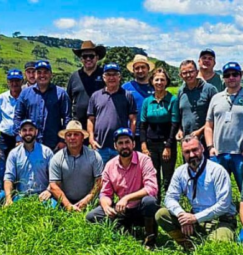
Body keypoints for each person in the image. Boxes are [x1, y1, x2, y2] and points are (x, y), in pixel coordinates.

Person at [157, 135, 236, 251]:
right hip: (193, 220)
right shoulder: (180, 172)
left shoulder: (217, 171)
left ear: (202, 148)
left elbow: (224, 205)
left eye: (195, 150)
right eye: (187, 152)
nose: (192, 155)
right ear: (182, 153)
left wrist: (195, 218)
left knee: (218, 247)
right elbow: (169, 198)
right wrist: (182, 215)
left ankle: (207, 241)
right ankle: (188, 245)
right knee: (161, 214)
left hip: (220, 220)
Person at [86, 128, 159, 249]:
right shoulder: (110, 166)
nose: (124, 146)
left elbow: (152, 188)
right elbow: (105, 194)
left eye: (127, 142)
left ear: (133, 144)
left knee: (149, 201)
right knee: (91, 216)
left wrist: (127, 198)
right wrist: (106, 207)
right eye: (120, 143)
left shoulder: (144, 160)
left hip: (140, 208)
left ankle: (150, 238)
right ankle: (123, 232)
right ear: (115, 146)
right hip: (122, 210)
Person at [205, 62, 243, 192]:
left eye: (235, 74)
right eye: (227, 75)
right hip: (219, 153)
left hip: (241, 154)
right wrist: (210, 147)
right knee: (217, 191)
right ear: (223, 78)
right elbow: (209, 125)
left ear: (240, 76)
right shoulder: (216, 98)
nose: (231, 78)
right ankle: (223, 212)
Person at [138, 68, 180, 198]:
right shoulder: (147, 101)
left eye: (162, 79)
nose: (159, 82)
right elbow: (143, 125)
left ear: (167, 81)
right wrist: (143, 145)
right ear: (152, 81)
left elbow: (174, 124)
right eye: (157, 79)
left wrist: (168, 146)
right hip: (150, 144)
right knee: (152, 176)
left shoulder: (172, 100)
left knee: (168, 176)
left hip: (166, 143)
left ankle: (169, 205)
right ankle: (154, 205)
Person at [47, 121, 104, 211]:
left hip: (89, 200)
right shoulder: (56, 158)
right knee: (49, 207)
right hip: (63, 200)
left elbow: (99, 182)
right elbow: (54, 186)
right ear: (65, 139)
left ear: (82, 138)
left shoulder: (94, 156)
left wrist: (87, 199)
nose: (72, 137)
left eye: (76, 134)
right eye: (69, 135)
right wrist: (68, 205)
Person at [14, 60, 71, 150]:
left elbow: (67, 118)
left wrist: (63, 140)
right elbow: (18, 116)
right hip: (30, 143)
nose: (42, 75)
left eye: (46, 72)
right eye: (39, 72)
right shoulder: (25, 93)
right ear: (35, 74)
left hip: (54, 144)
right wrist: (19, 138)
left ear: (51, 74)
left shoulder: (61, 94)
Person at [87, 63, 137, 164]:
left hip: (120, 147)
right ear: (104, 77)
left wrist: (130, 139)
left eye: (114, 74)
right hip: (100, 145)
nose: (111, 77)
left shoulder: (127, 95)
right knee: (100, 177)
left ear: (119, 77)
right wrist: (91, 139)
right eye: (108, 75)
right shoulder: (95, 96)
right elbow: (90, 119)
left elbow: (133, 119)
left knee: (122, 177)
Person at [3, 120, 54, 206]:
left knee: (54, 206)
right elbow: (9, 178)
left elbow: (54, 178)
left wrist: (49, 190)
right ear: (20, 133)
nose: (27, 133)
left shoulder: (47, 152)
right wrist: (8, 199)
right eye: (24, 130)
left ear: (36, 132)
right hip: (21, 196)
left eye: (31, 129)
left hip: (43, 195)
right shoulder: (14, 154)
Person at [177, 60, 218, 141]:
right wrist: (179, 130)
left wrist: (200, 131)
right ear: (181, 75)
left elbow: (216, 115)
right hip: (187, 139)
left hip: (207, 139)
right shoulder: (181, 91)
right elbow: (179, 114)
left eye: (191, 72)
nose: (188, 75)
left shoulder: (210, 89)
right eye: (184, 73)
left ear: (197, 72)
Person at [67, 41, 107, 121]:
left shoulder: (105, 75)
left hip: (100, 123)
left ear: (97, 57)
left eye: (91, 56)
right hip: (78, 125)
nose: (88, 59)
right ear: (81, 59)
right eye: (85, 56)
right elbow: (68, 101)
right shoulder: (74, 77)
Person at [0, 69, 23, 159]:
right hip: (5, 138)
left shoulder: (26, 97)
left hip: (22, 137)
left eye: (17, 81)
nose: (14, 84)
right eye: (11, 81)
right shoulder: (1, 98)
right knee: (2, 161)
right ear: (7, 82)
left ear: (22, 81)